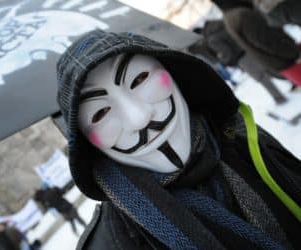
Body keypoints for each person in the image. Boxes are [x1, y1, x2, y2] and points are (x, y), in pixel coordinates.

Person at [56, 30, 301, 249]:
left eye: (139, 80)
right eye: (101, 113)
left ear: (174, 74)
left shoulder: (239, 137)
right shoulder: (111, 243)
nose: (139, 118)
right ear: (88, 142)